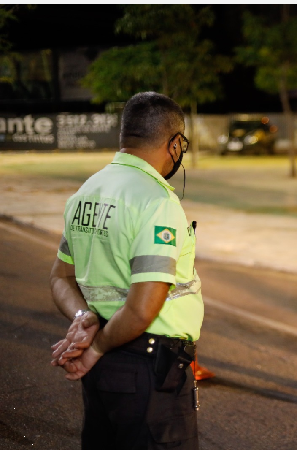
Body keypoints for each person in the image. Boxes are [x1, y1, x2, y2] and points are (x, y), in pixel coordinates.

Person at [49, 91, 204, 450]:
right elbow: (142, 308)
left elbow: (60, 276)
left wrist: (83, 318)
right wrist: (96, 348)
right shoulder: (156, 201)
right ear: (175, 144)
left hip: (106, 370)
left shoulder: (87, 192)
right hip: (148, 372)